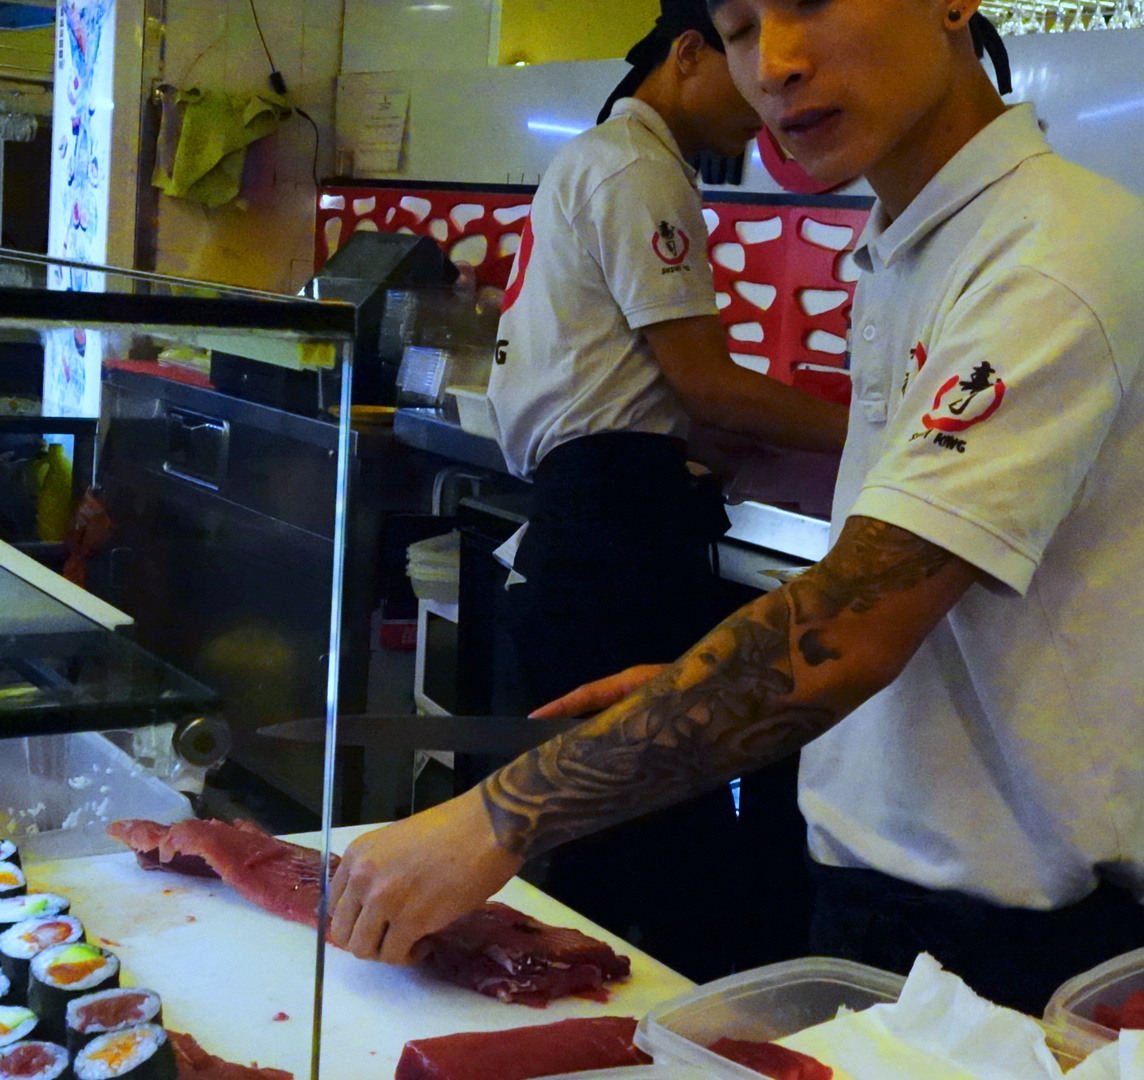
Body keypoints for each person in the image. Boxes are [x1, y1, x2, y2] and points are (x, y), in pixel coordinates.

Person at [331, 0, 1144, 1015]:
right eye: (740, 25)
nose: (776, 64)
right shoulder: (906, 247)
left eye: (810, 1)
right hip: (884, 899)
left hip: (1014, 947)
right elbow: (950, 626)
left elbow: (852, 627)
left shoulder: (1049, 252)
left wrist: (498, 816)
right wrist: (699, 680)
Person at [479, 0, 847, 979]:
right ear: (688, 52)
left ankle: (590, 1003)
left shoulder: (605, 158)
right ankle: (664, 1016)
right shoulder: (639, 168)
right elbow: (706, 384)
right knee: (643, 805)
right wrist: (885, 436)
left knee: (606, 809)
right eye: (737, 51)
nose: (768, 95)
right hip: (617, 525)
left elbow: (668, 393)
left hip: (591, 509)